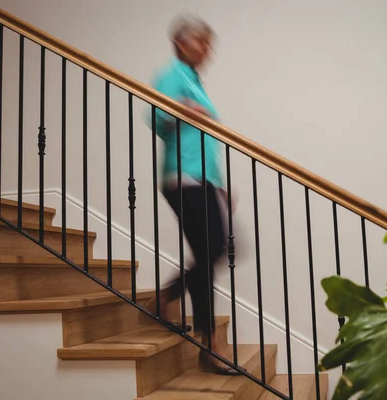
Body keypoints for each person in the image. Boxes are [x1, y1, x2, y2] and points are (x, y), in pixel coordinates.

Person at [149, 15, 238, 376]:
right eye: (202, 41)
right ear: (182, 43)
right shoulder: (172, 73)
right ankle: (209, 345)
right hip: (182, 177)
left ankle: (168, 300)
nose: (207, 49)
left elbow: (200, 138)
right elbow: (155, 115)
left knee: (214, 251)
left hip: (202, 179)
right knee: (213, 251)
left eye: (208, 42)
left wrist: (218, 185)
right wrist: (184, 109)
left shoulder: (192, 79)